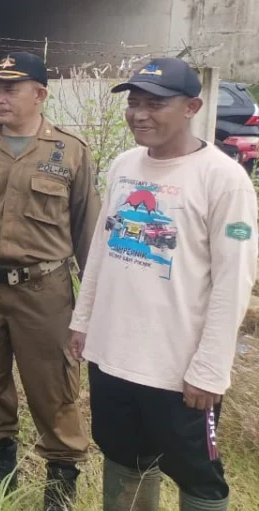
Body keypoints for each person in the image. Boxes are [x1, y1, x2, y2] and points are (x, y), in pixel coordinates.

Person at [69, 58, 258, 511]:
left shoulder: (223, 179)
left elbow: (234, 281)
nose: (139, 114)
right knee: (123, 458)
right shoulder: (124, 165)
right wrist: (83, 321)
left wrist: (210, 368)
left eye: (155, 103)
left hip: (177, 370)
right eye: (134, 102)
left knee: (199, 477)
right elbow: (102, 248)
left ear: (192, 106)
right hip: (112, 357)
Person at [0, 51, 99, 510]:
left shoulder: (70, 152)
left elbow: (88, 234)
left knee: (53, 386)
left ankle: (60, 487)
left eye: (11, 88)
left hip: (44, 291)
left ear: (40, 94)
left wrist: (91, 308)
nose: (0, 97)